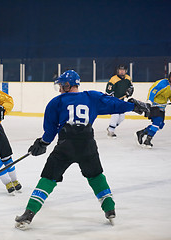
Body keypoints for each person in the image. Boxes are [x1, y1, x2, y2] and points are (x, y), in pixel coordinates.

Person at [14, 70, 151, 230]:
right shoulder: (92, 97)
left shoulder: (56, 102)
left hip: (66, 146)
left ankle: (29, 214)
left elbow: (50, 132)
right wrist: (133, 106)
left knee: (48, 178)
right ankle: (109, 209)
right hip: (87, 144)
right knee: (96, 176)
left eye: (61, 86)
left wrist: (42, 143)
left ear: (67, 85)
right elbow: (114, 104)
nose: (59, 89)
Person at [135, 72, 171, 148]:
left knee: (160, 125)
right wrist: (149, 101)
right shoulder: (163, 84)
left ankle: (142, 132)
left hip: (162, 107)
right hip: (154, 105)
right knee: (157, 122)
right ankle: (148, 140)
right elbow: (153, 91)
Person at [105, 64, 134, 138]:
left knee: (122, 117)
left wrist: (129, 92)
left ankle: (111, 127)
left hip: (121, 101)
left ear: (126, 71)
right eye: (120, 70)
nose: (121, 72)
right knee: (115, 114)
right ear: (117, 71)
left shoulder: (128, 78)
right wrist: (112, 99)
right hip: (113, 101)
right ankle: (111, 131)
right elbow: (108, 92)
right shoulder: (113, 79)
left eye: (123, 70)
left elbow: (131, 87)